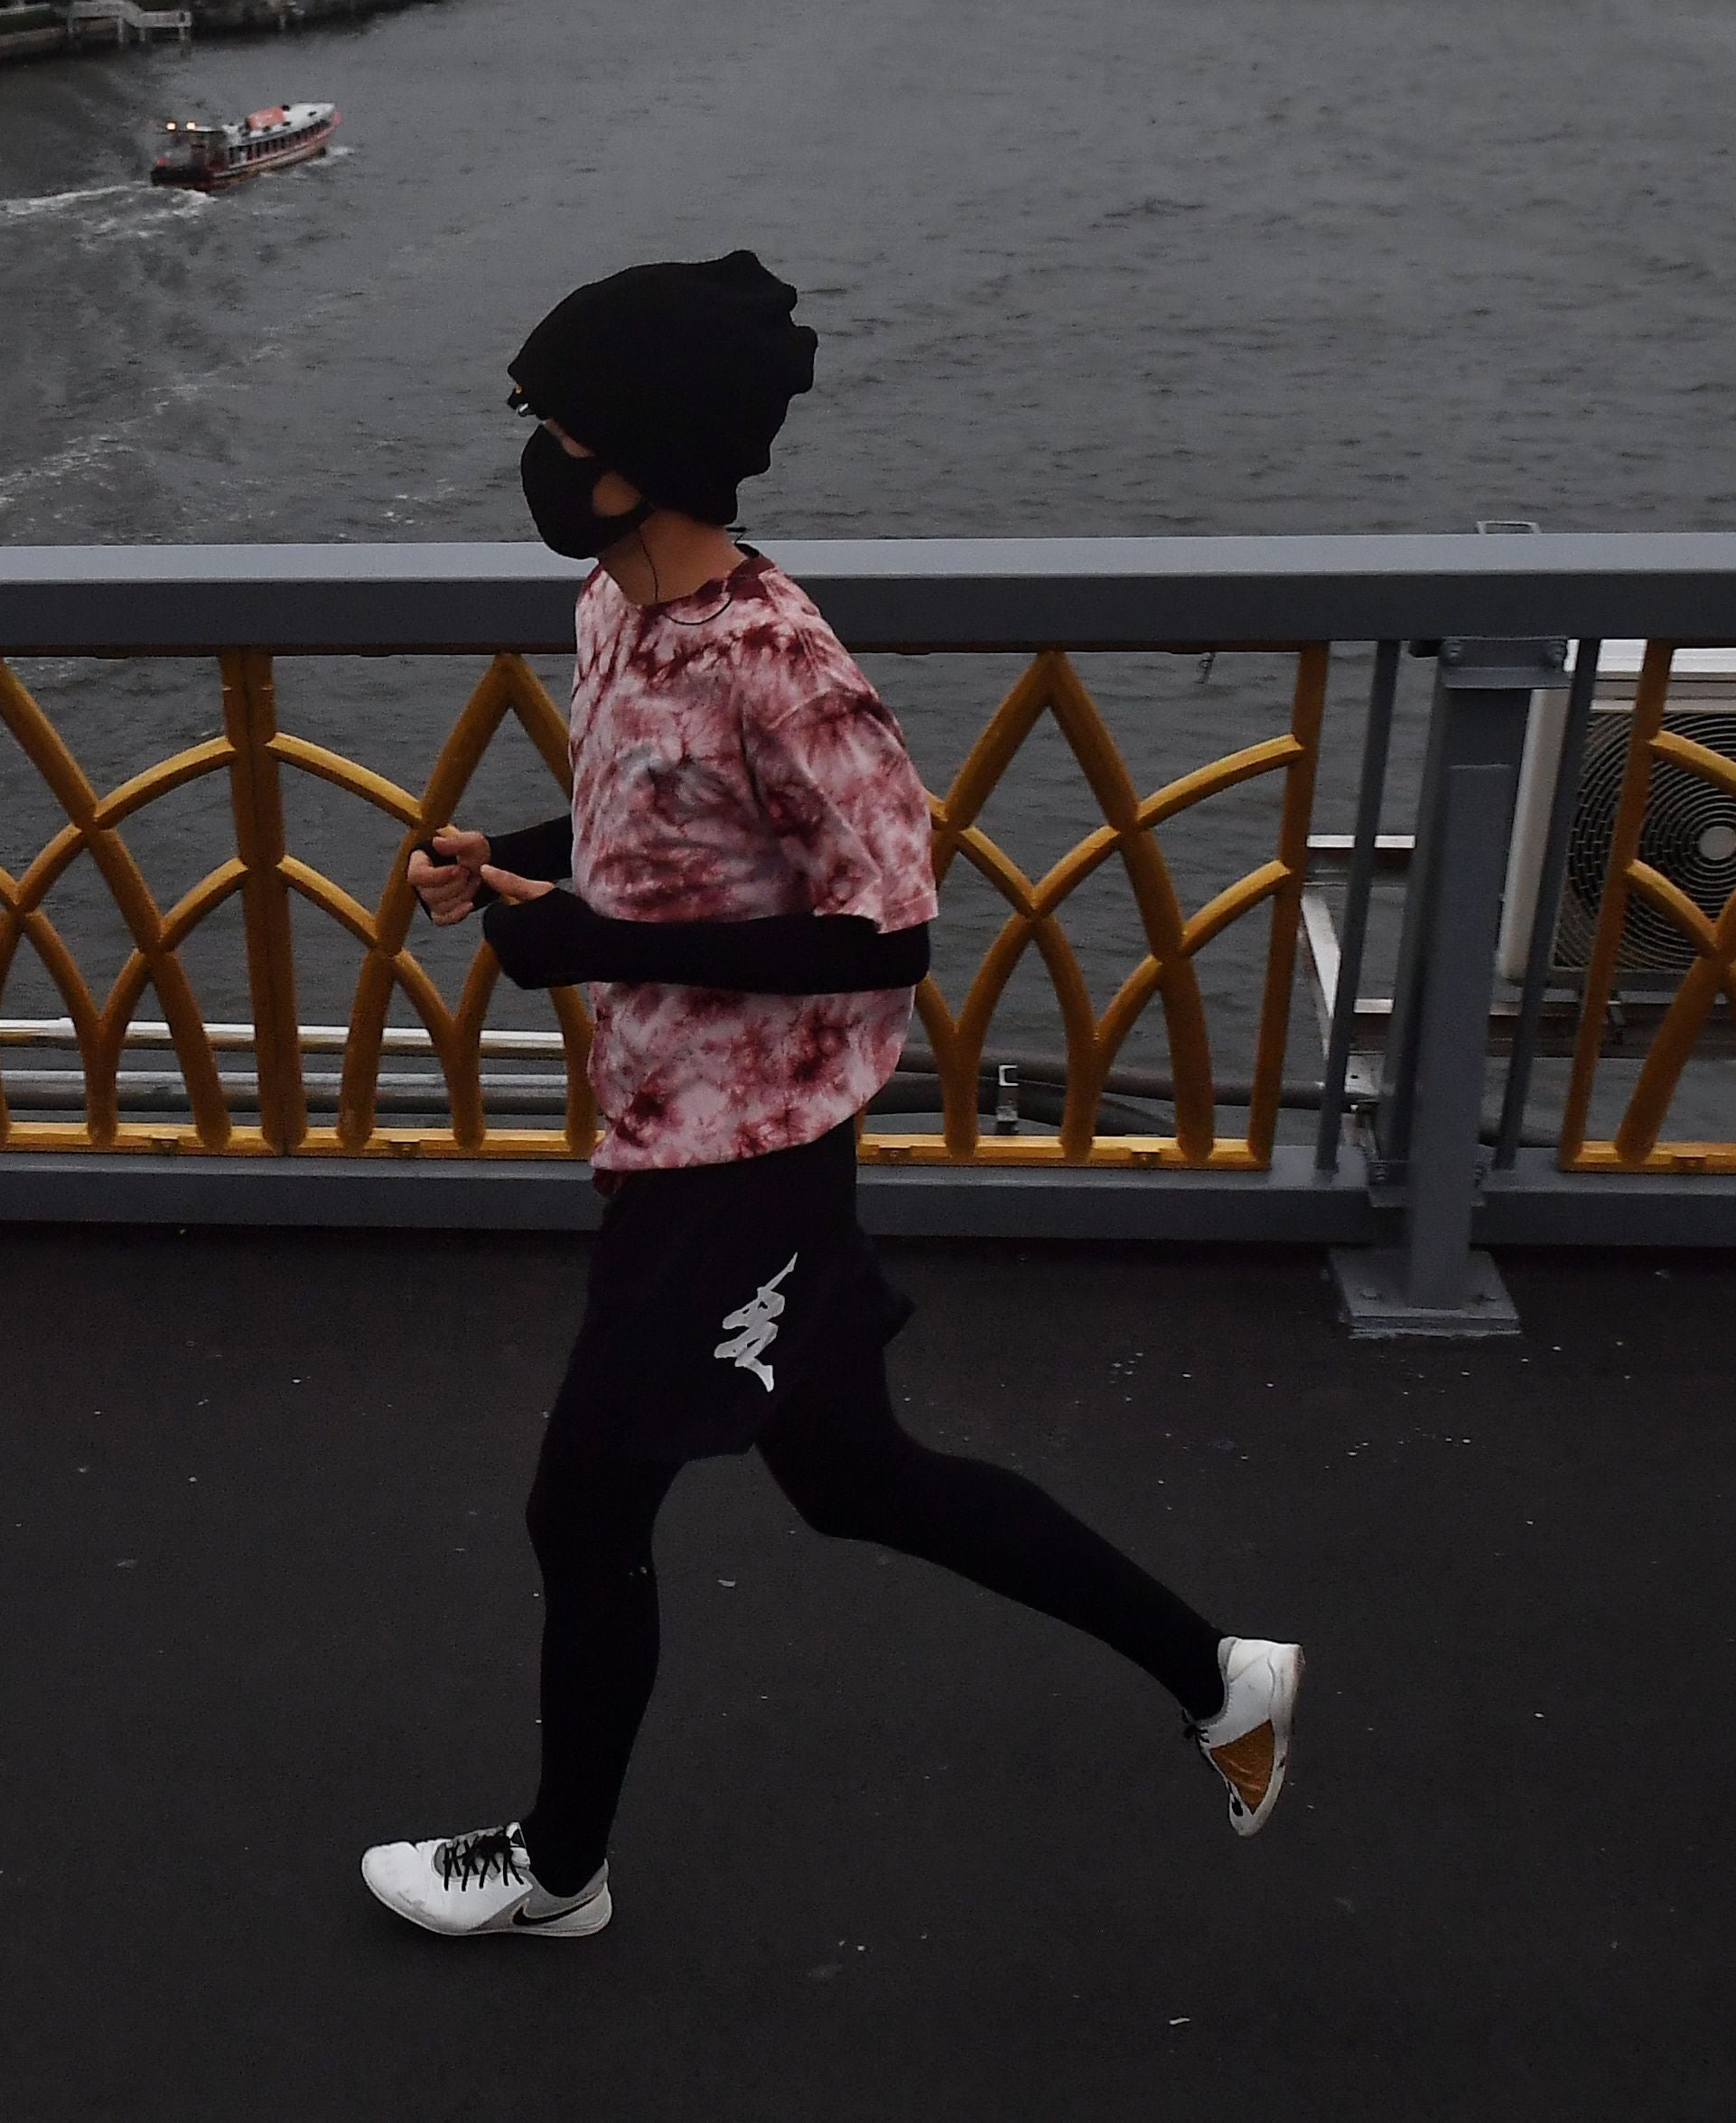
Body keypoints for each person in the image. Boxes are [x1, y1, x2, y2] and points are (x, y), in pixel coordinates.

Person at [358, 251, 1302, 1943]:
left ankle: (557, 1871)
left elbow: (886, 938)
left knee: (579, 1508)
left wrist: (582, 940)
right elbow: (653, 830)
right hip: (668, 1136)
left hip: (749, 1158)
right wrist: (506, 861)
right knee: (853, 1471)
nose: (530, 452)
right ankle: (1220, 1676)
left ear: (628, 462)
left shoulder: (784, 669)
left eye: (548, 425)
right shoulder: (613, 609)